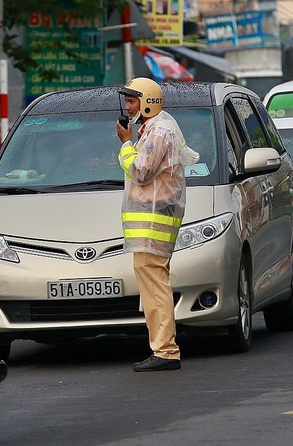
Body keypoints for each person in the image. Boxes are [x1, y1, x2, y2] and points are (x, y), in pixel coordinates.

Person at [114, 77, 199, 372]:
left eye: (132, 101)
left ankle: (165, 350)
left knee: (155, 284)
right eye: (127, 100)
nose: (127, 106)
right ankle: (162, 347)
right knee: (152, 283)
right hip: (150, 221)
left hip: (154, 220)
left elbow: (141, 171)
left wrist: (126, 145)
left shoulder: (159, 130)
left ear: (148, 102)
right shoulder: (154, 128)